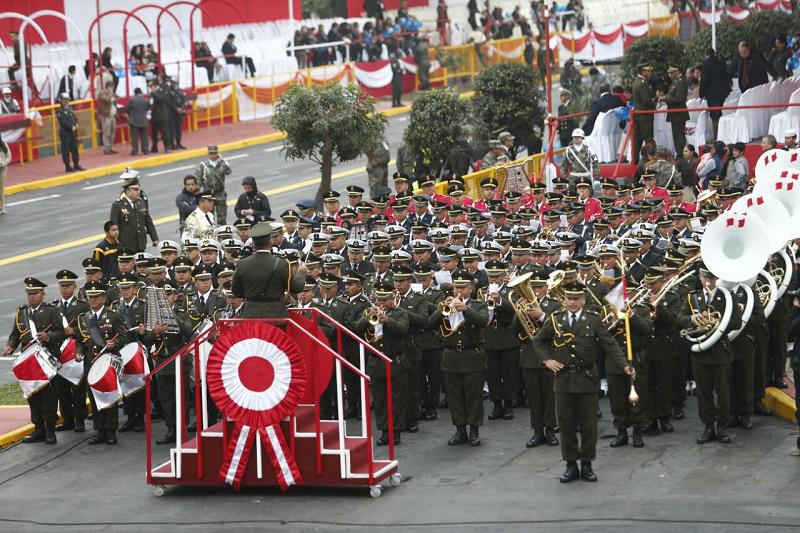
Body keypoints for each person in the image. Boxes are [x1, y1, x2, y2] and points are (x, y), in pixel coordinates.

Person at [533, 282, 632, 483]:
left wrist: (624, 365)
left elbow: (610, 344)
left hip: (586, 378)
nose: (572, 302)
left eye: (576, 299)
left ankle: (587, 463)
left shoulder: (593, 320)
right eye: (569, 298)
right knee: (567, 424)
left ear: (583, 300)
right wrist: (547, 360)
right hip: (563, 379)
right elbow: (539, 341)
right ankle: (570, 464)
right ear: (564, 300)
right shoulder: (555, 319)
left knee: (588, 426)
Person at [676, 262, 741, 444]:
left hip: (720, 350)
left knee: (723, 392)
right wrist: (692, 319)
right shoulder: (692, 298)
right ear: (700, 278)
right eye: (705, 278)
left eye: (711, 278)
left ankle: (721, 426)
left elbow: (736, 322)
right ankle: (708, 426)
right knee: (703, 392)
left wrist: (716, 326)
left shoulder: (727, 297)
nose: (708, 282)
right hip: (700, 352)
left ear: (716, 279)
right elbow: (680, 319)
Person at [429, 270, 489, 447]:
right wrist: (441, 309)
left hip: (472, 356)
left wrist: (466, 309)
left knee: (473, 396)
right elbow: (430, 324)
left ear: (471, 289)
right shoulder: (446, 304)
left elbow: (482, 321)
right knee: (455, 396)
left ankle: (474, 430)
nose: (458, 291)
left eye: (463, 288)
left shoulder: (478, 304)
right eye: (456, 288)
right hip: (451, 356)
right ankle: (460, 429)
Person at [3, 277, 66, 445]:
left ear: (42, 294)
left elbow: (62, 333)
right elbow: (16, 334)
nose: (31, 297)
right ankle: (38, 428)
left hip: (47, 360)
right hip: (29, 361)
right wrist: (10, 346)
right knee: (33, 395)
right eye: (29, 293)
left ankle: (50, 430)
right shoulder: (21, 312)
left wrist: (48, 336)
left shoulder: (51, 311)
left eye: (35, 293)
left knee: (49, 397)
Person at [354, 280, 409, 446]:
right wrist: (368, 317)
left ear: (392, 298)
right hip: (376, 362)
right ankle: (384, 431)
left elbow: (402, 330)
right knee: (380, 400)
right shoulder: (369, 312)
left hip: (395, 361)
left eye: (384, 300)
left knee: (397, 399)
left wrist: (387, 321)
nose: (381, 303)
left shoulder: (400, 313)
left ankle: (396, 431)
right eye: (379, 300)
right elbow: (357, 328)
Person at [75, 280, 128, 445]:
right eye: (90, 297)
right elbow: (80, 340)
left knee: (109, 395)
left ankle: (111, 430)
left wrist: (115, 344)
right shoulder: (83, 318)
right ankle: (100, 430)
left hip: (108, 361)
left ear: (103, 298)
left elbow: (123, 336)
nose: (93, 300)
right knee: (94, 395)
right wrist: (79, 352)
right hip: (91, 361)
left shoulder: (114, 316)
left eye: (96, 297)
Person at [231, 222, 307, 318]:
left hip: (250, 315)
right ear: (271, 242)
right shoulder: (281, 264)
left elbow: (236, 291)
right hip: (275, 315)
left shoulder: (241, 264)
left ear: (253, 245)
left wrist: (252, 295)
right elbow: (295, 288)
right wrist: (301, 272)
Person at [109, 176, 159, 253]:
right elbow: (113, 226)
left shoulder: (141, 202)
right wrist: (114, 243)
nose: (139, 192)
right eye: (135, 190)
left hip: (140, 244)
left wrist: (155, 238)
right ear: (128, 190)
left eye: (138, 189)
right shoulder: (118, 205)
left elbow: (148, 222)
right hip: (125, 245)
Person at [194, 145, 232, 224]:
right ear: (208, 154)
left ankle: (223, 235)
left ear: (217, 153)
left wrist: (222, 160)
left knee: (222, 218)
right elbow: (198, 179)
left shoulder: (222, 164)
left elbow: (229, 171)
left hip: (220, 194)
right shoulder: (203, 165)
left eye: (214, 153)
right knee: (209, 218)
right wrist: (196, 193)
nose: (213, 155)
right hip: (208, 195)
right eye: (211, 153)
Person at [699, 48, 731, 140]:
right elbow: (727, 76)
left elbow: (704, 80)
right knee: (718, 112)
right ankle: (719, 135)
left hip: (712, 93)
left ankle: (717, 136)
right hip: (722, 92)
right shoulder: (722, 62)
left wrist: (702, 94)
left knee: (714, 115)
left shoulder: (706, 63)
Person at [664, 66, 688, 156]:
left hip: (678, 114)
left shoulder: (681, 82)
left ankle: (682, 156)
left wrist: (666, 98)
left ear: (676, 71)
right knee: (676, 138)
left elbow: (679, 99)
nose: (669, 75)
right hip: (675, 114)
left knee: (679, 138)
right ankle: (680, 155)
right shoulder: (676, 81)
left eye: (671, 73)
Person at [57, 93, 84, 173]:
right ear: (61, 101)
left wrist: (76, 124)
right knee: (66, 149)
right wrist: (71, 127)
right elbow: (63, 122)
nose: (66, 101)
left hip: (73, 132)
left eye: (67, 100)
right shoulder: (60, 111)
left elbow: (74, 118)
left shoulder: (70, 109)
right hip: (65, 132)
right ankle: (67, 166)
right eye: (64, 100)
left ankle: (76, 164)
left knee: (74, 148)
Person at [632, 63, 655, 156]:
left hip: (639, 115)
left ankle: (636, 160)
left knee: (638, 139)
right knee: (648, 139)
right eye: (648, 71)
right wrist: (654, 103)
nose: (650, 73)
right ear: (643, 71)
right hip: (645, 115)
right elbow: (646, 101)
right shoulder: (642, 83)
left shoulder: (638, 81)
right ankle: (651, 158)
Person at [149, 79, 172, 154]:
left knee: (164, 132)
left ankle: (167, 147)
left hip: (162, 116)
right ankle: (154, 147)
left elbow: (160, 99)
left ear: (155, 86)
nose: (150, 88)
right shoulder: (152, 94)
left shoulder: (161, 91)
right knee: (154, 133)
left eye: (151, 86)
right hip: (154, 115)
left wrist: (154, 93)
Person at [126, 87, 150, 156]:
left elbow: (128, 109)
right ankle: (145, 149)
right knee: (144, 136)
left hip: (134, 120)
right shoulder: (146, 100)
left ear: (135, 93)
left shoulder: (132, 100)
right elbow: (148, 108)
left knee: (134, 137)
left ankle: (135, 150)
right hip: (143, 120)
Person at [97, 80, 118, 155]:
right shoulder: (101, 93)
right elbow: (107, 100)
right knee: (106, 132)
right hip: (105, 116)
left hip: (112, 115)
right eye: (111, 87)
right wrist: (110, 93)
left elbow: (114, 103)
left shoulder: (112, 94)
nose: (113, 88)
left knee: (112, 132)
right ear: (107, 87)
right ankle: (106, 148)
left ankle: (111, 147)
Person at [166, 78, 187, 150]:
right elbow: (169, 102)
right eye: (173, 83)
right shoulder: (168, 92)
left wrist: (181, 108)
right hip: (171, 113)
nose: (174, 84)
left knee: (178, 129)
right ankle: (172, 144)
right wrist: (176, 109)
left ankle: (178, 143)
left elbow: (183, 100)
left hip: (179, 113)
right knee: (171, 129)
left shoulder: (179, 91)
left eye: (175, 83)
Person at [0, 133, 8, 215]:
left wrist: (3, 163)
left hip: (2, 169)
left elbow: (9, 157)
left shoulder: (4, 145)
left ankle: (3, 207)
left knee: (1, 189)